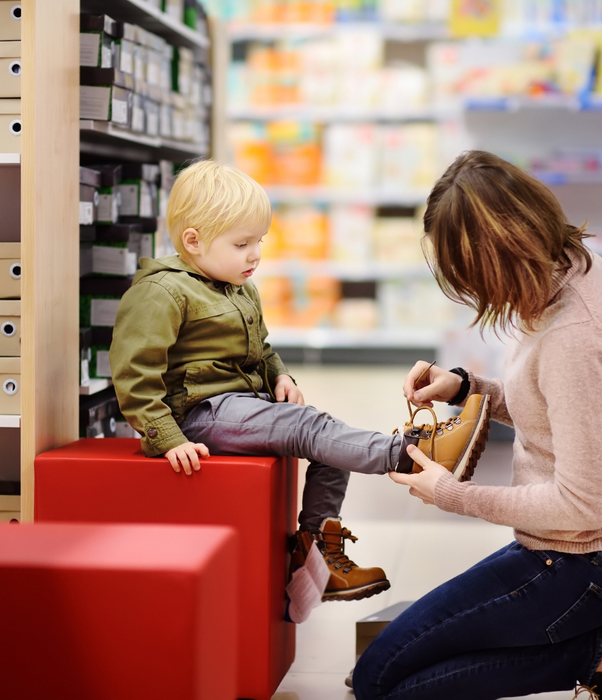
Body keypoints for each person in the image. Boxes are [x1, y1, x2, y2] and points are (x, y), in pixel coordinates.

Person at [109, 159, 490, 606]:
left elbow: (261, 348)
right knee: (311, 430)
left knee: (328, 442)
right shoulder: (163, 292)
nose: (255, 255)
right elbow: (134, 374)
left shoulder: (237, 287)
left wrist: (280, 375)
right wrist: (168, 438)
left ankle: (317, 555)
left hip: (239, 405)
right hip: (199, 415)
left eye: (259, 242)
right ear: (193, 241)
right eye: (242, 243)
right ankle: (410, 453)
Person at [352, 150, 602, 700]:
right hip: (569, 546)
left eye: (469, 275)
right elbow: (557, 412)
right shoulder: (572, 264)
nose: (473, 292)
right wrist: (467, 388)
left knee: (383, 683)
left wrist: (452, 494)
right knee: (377, 674)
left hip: (587, 559)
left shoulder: (573, 337)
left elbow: (581, 505)